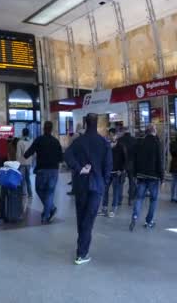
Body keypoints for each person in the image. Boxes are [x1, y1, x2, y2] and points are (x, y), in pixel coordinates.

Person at [64, 113, 112, 265]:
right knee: (89, 218)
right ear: (96, 123)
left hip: (82, 184)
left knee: (82, 216)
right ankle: (81, 253)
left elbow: (67, 155)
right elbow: (108, 166)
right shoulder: (104, 142)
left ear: (85, 123)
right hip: (97, 185)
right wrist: (104, 182)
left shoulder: (78, 142)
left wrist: (79, 168)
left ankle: (82, 249)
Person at [24, 121, 63, 224]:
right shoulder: (56, 141)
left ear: (43, 129)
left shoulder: (39, 140)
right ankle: (51, 208)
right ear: (52, 129)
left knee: (39, 189)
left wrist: (24, 156)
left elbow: (28, 153)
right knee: (50, 192)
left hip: (42, 170)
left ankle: (46, 215)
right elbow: (61, 157)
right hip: (54, 170)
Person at [130, 124, 163, 231]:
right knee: (153, 200)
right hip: (153, 176)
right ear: (154, 131)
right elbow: (159, 161)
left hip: (141, 175)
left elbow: (134, 160)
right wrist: (162, 177)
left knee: (139, 198)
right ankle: (149, 221)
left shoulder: (139, 142)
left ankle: (135, 216)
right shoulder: (157, 143)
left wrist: (135, 174)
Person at [100, 128, 126, 218]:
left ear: (116, 135)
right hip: (107, 172)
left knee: (116, 192)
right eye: (110, 135)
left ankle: (113, 209)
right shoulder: (106, 146)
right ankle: (104, 208)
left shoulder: (121, 146)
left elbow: (125, 159)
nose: (111, 137)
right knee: (105, 191)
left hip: (116, 172)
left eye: (112, 135)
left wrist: (121, 170)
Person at [117, 127, 137, 205]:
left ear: (123, 131)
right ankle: (130, 200)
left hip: (122, 164)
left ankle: (119, 200)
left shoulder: (120, 140)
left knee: (120, 182)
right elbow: (136, 154)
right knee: (132, 182)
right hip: (132, 164)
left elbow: (118, 154)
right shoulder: (134, 140)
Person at [16, 128, 34, 198]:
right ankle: (30, 194)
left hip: (22, 163)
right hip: (28, 163)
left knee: (22, 179)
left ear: (22, 133)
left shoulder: (20, 142)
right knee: (28, 178)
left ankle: (23, 193)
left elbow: (18, 154)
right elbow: (33, 152)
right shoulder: (31, 141)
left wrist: (17, 162)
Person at [170, 137, 177, 203]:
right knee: (174, 181)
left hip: (174, 164)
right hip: (175, 164)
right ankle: (174, 197)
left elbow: (172, 153)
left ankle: (173, 196)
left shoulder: (172, 143)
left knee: (174, 181)